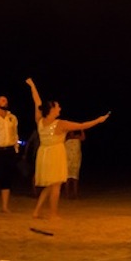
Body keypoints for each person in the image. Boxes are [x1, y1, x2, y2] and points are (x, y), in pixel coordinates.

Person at [26, 78, 110, 221]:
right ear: (51, 109)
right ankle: (53, 214)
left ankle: (36, 212)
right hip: (54, 154)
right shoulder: (60, 124)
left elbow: (37, 101)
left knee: (49, 186)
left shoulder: (39, 120)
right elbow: (82, 125)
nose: (60, 108)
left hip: (44, 154)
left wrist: (32, 85)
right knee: (56, 185)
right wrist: (99, 120)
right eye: (58, 107)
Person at [64, 128, 85, 198]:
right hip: (67, 160)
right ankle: (67, 194)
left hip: (76, 160)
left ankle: (75, 194)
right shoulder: (65, 139)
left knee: (75, 178)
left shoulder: (77, 137)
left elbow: (83, 138)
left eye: (72, 131)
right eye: (70, 131)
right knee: (67, 178)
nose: (71, 133)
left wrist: (82, 130)